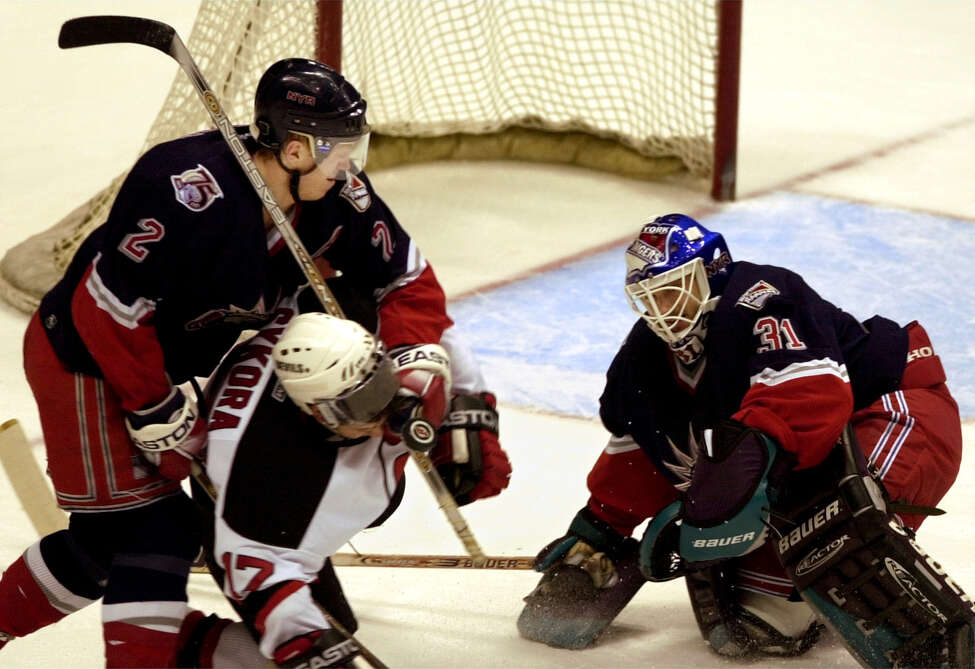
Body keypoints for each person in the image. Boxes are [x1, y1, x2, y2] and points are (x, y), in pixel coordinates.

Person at [0, 57, 501, 667]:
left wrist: (424, 375)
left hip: (173, 362)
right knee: (146, 535)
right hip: (88, 359)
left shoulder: (337, 197)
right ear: (292, 149)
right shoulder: (182, 187)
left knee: (117, 544)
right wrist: (154, 407)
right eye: (338, 148)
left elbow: (406, 282)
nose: (351, 164)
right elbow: (105, 311)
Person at [518, 214, 967, 666]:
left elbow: (810, 404)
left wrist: (711, 506)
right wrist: (601, 528)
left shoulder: (763, 298)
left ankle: (942, 639)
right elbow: (651, 445)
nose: (661, 309)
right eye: (648, 298)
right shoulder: (646, 356)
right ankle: (805, 591)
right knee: (756, 624)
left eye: (673, 288)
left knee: (834, 516)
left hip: (897, 409)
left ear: (712, 271)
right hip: (815, 451)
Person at [183, 309, 510, 668]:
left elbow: (427, 316)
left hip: (280, 449)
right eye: (357, 408)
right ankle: (185, 648)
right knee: (328, 633)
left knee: (384, 498)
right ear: (315, 412)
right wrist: (304, 642)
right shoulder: (265, 481)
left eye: (380, 387)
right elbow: (256, 572)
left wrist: (471, 410)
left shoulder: (356, 322)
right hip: (231, 506)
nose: (383, 418)